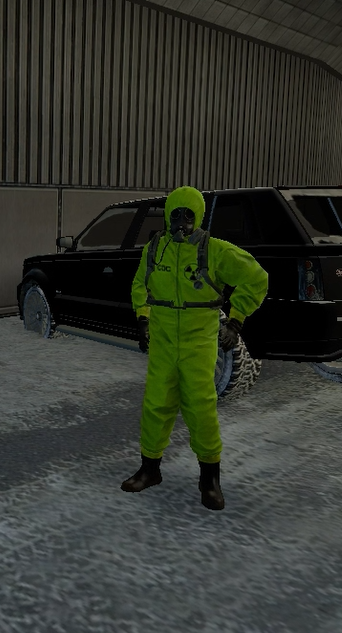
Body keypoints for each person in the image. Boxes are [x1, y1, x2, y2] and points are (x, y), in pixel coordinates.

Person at [121, 186, 269, 510]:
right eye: (176, 214)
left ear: (199, 216)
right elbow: (140, 284)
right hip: (163, 341)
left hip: (197, 342)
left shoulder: (214, 251)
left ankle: (209, 479)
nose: (181, 221)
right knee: (156, 404)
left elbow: (257, 278)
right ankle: (149, 469)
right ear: (167, 215)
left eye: (188, 215)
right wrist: (143, 318)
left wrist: (236, 321)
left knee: (201, 408)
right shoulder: (155, 249)